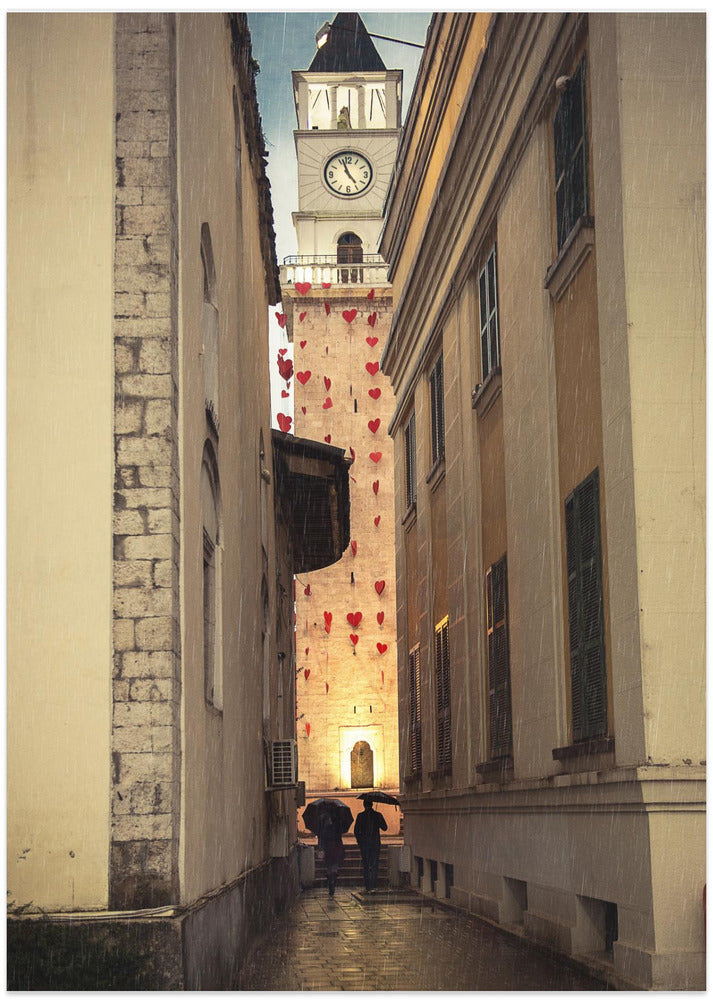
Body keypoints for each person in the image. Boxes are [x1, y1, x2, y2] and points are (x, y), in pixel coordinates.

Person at [354, 799, 387, 892]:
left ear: (364, 805)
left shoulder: (360, 816)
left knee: (366, 864)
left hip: (364, 844)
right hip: (375, 843)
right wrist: (379, 820)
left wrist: (360, 841)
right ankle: (373, 884)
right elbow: (385, 827)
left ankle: (368, 885)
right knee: (374, 864)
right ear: (372, 805)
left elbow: (356, 831)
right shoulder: (378, 815)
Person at [318, 810, 345, 897]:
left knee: (329, 865)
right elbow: (340, 837)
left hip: (328, 848)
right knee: (335, 864)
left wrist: (321, 847)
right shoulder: (338, 825)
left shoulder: (324, 825)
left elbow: (321, 837)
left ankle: (330, 880)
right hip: (336, 847)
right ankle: (334, 876)